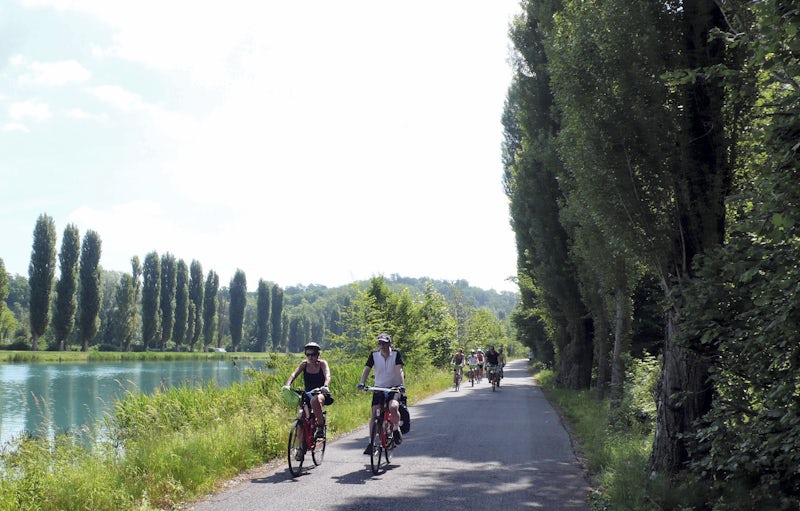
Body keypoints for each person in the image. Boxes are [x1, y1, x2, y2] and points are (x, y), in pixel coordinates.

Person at [358, 332, 405, 453]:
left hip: (393, 387)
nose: (382, 346)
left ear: (390, 343)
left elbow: (399, 370)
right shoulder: (374, 355)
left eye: (384, 343)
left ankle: (396, 429)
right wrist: (362, 382)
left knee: (393, 407)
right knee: (374, 413)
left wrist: (401, 385)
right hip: (378, 387)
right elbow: (367, 369)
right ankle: (371, 442)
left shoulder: (396, 354)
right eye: (380, 343)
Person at [283, 342, 332, 438]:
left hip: (320, 392)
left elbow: (327, 375)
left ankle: (320, 426)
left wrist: (325, 386)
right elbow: (293, 374)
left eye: (313, 354)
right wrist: (287, 385)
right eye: (308, 354)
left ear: (318, 354)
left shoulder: (322, 364)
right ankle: (301, 444)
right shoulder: (304, 364)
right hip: (308, 393)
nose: (310, 357)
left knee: (314, 400)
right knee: (302, 416)